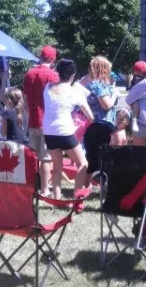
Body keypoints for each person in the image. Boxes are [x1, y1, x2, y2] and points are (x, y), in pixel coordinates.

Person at [42, 59, 93, 200]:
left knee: (57, 167)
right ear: (73, 75)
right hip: (65, 131)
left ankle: (57, 198)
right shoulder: (75, 92)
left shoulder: (47, 88)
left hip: (48, 131)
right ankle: (76, 197)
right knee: (83, 163)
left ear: (58, 73)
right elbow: (91, 116)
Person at [22, 45, 59, 196]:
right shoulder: (53, 76)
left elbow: (24, 100)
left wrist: (29, 114)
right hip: (47, 122)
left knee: (33, 157)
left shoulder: (29, 74)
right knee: (46, 158)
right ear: (53, 59)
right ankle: (44, 189)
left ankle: (32, 187)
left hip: (32, 121)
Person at [81, 56, 119, 176]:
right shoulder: (99, 84)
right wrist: (115, 93)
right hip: (102, 123)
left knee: (90, 154)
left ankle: (87, 183)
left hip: (88, 123)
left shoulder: (84, 81)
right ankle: (102, 182)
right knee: (102, 155)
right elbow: (106, 105)